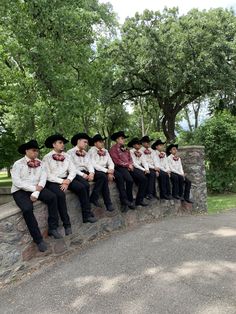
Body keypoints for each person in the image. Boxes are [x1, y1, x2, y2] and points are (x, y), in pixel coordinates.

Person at [11, 140, 62, 252]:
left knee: (53, 197)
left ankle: (53, 228)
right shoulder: (18, 164)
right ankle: (38, 239)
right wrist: (34, 189)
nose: (36, 153)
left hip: (38, 187)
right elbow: (17, 182)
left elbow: (43, 178)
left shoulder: (41, 163)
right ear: (27, 151)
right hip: (20, 190)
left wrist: (36, 192)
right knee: (27, 209)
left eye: (37, 151)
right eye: (34, 151)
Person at [43, 134, 96, 234]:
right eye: (60, 143)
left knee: (82, 187)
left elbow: (72, 170)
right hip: (53, 181)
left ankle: (86, 215)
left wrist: (68, 180)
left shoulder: (67, 156)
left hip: (67, 179)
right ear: (54, 145)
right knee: (60, 195)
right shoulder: (47, 158)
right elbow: (48, 175)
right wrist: (62, 181)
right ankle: (67, 224)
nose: (63, 145)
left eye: (63, 143)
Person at [109, 131, 148, 209]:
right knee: (129, 180)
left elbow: (130, 158)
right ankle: (129, 201)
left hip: (129, 166)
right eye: (122, 138)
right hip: (120, 167)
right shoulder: (113, 149)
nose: (124, 140)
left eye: (124, 138)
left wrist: (130, 164)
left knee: (143, 178)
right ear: (117, 140)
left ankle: (139, 200)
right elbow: (116, 160)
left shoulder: (126, 149)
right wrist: (127, 165)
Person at [87, 133, 115, 212]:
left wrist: (110, 171)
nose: (102, 142)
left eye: (102, 141)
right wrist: (106, 171)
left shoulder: (105, 151)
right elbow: (93, 164)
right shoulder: (91, 151)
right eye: (100, 141)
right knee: (103, 177)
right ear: (95, 143)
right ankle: (107, 203)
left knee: (118, 176)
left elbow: (111, 162)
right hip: (96, 170)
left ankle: (95, 198)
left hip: (106, 170)